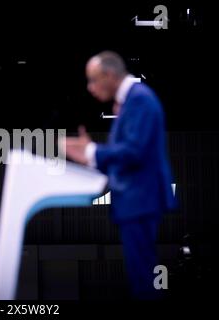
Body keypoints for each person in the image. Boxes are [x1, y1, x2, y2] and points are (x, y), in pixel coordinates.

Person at [64, 51, 177, 299]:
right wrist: (90, 157)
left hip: (141, 200)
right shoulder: (132, 102)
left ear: (109, 75)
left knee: (143, 279)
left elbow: (135, 152)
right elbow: (126, 156)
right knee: (141, 277)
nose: (90, 88)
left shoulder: (140, 100)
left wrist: (93, 151)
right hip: (136, 201)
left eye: (93, 80)